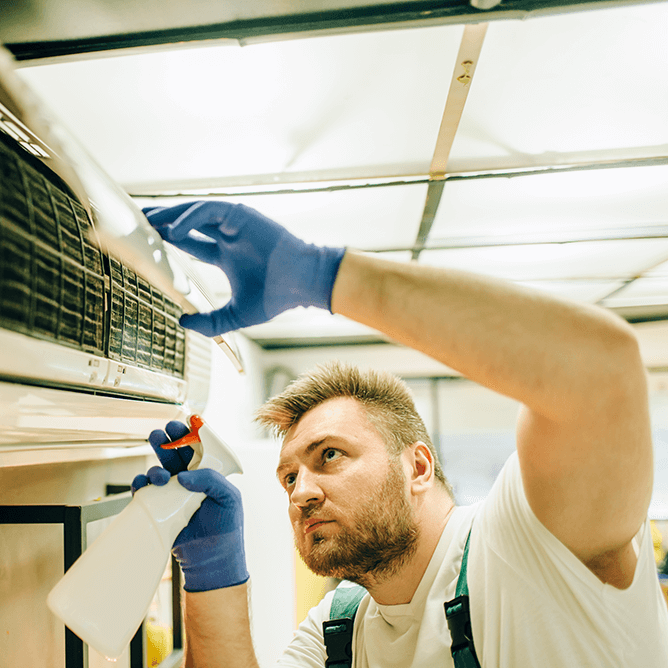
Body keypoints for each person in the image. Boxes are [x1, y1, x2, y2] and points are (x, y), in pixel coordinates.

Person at [132, 201, 668, 667]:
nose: (301, 492)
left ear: (418, 467)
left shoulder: (525, 543)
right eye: (288, 477)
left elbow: (600, 371)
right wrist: (212, 571)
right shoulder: (337, 630)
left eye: (331, 455)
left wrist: (321, 277)